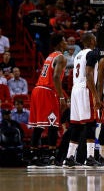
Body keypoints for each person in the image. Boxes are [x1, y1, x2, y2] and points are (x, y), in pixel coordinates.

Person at [27, 33, 67, 168]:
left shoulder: (50, 56)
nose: (67, 43)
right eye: (65, 40)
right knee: (53, 124)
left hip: (37, 89)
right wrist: (61, 96)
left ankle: (33, 157)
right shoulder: (61, 57)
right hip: (47, 91)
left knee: (39, 126)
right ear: (60, 43)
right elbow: (56, 77)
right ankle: (51, 157)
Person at [62, 33, 102, 168]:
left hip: (75, 90)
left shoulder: (78, 55)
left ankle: (69, 157)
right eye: (94, 39)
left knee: (77, 126)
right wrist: (96, 96)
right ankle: (90, 157)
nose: (96, 41)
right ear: (91, 40)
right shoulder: (91, 54)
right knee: (91, 123)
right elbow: (89, 75)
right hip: (85, 89)